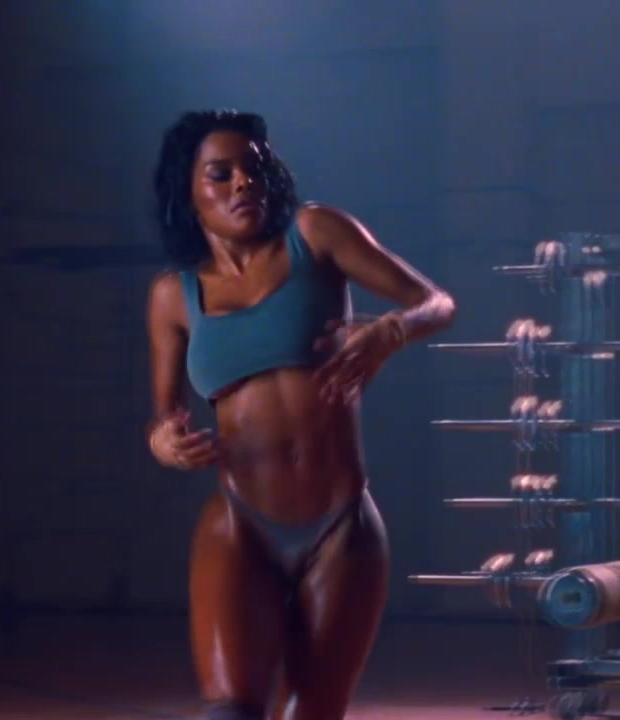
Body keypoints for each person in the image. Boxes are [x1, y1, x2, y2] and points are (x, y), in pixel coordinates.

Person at [144, 109, 456, 720]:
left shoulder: (315, 233)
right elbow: (163, 418)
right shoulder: (171, 297)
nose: (243, 182)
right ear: (188, 189)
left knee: (311, 713)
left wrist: (391, 331)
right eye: (220, 173)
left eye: (255, 168)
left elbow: (437, 302)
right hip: (240, 522)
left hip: (342, 526)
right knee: (229, 713)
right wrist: (164, 442)